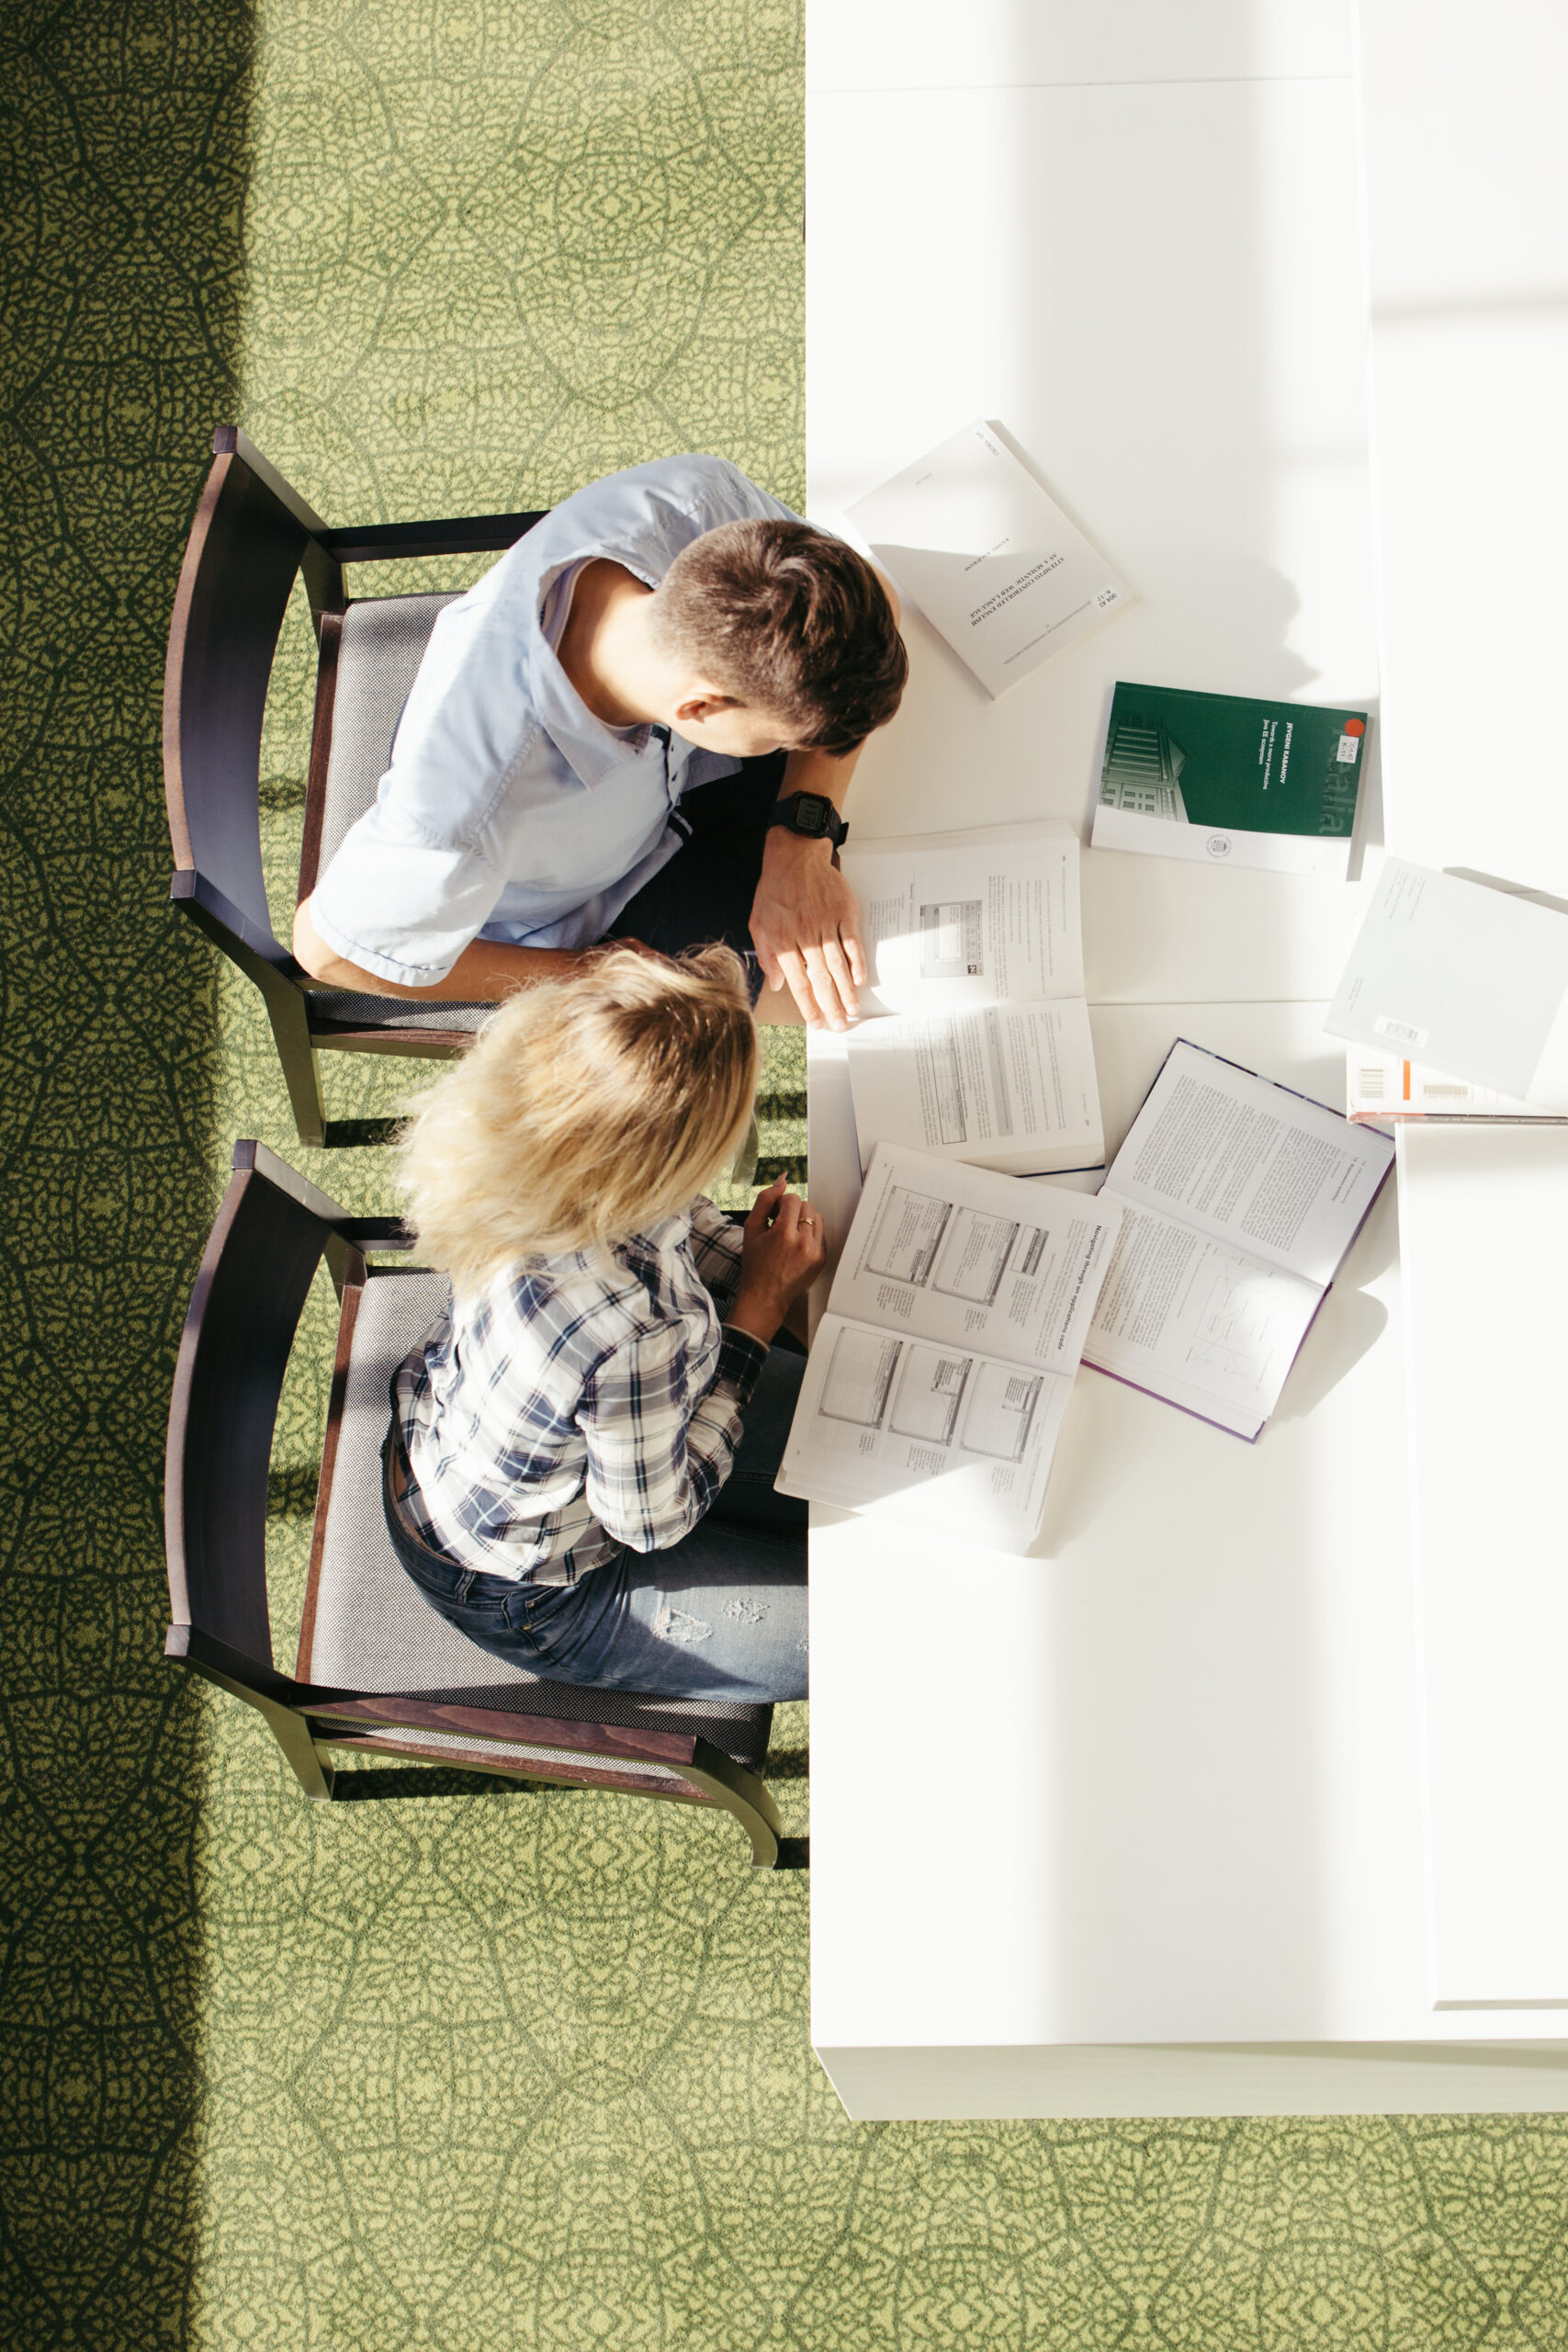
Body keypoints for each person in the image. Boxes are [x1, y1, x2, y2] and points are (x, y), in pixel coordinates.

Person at [294, 455, 908, 1032]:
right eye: (786, 738)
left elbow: (876, 595)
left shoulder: (700, 501)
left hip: (684, 770)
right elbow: (328, 952)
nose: (802, 746)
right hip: (604, 908)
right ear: (697, 705)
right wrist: (585, 974)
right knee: (873, 991)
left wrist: (799, 839)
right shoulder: (460, 811)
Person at [381, 944, 826, 1703]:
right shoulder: (632, 1329)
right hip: (541, 1590)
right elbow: (653, 1522)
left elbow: (675, 1228)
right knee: (872, 1632)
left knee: (849, 1425)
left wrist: (762, 1269)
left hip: (485, 1457)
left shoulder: (545, 1133)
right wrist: (755, 1317)